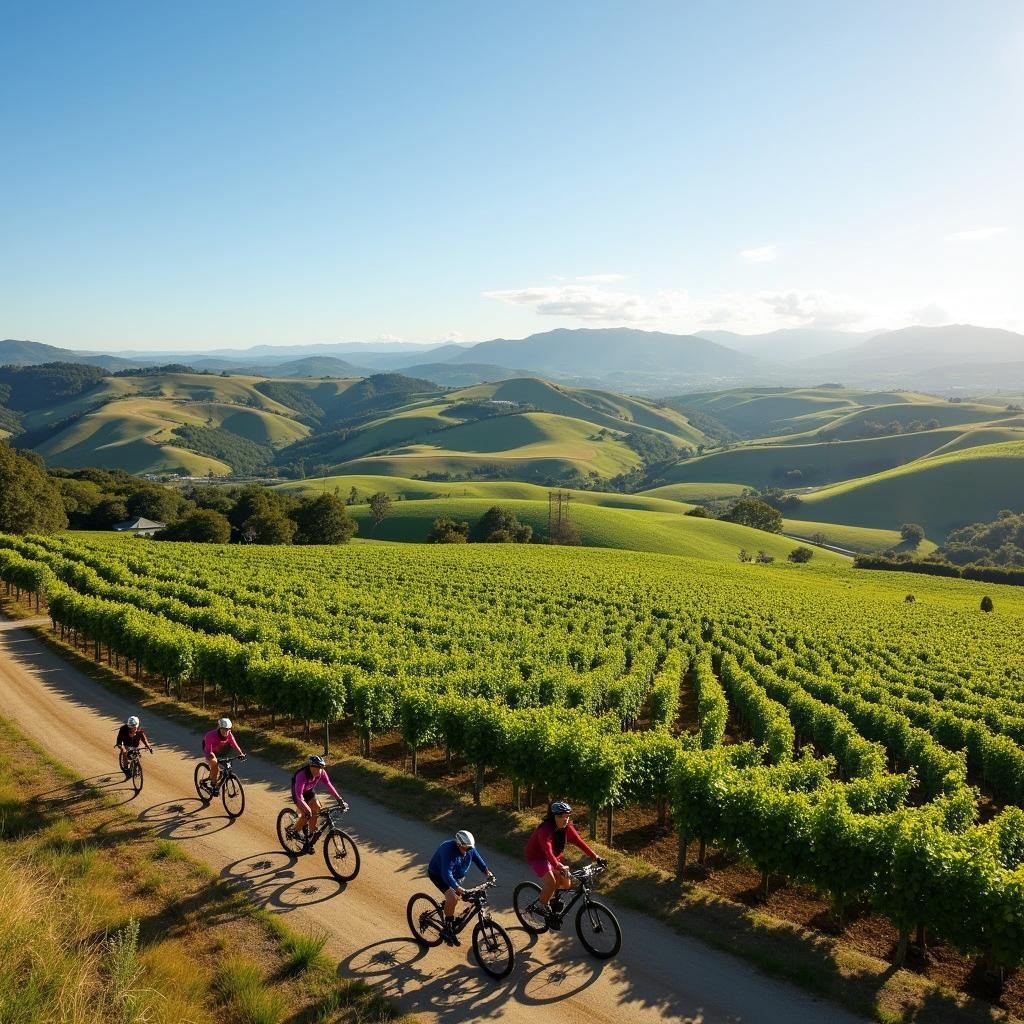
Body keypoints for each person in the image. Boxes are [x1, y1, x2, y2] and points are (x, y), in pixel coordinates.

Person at [524, 801, 606, 923]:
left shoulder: (566, 827)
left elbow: (579, 842)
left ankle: (551, 899)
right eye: (561, 816)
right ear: (553, 817)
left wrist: (596, 857)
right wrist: (558, 865)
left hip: (553, 857)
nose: (565, 819)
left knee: (566, 883)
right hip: (538, 857)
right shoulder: (545, 829)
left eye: (567, 816)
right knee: (551, 882)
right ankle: (540, 907)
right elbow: (547, 851)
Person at [427, 830, 494, 946]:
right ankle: (448, 928)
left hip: (456, 877)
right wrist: (457, 888)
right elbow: (446, 874)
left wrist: (487, 873)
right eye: (466, 848)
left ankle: (448, 907)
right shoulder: (447, 850)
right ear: (458, 844)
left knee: (467, 897)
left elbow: (478, 860)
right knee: (453, 898)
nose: (469, 850)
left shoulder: (469, 848)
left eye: (470, 848)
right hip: (439, 875)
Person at [290, 754, 348, 850]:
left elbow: (329, 785)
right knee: (306, 814)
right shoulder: (302, 775)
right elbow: (299, 795)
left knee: (316, 808)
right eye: (316, 767)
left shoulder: (321, 772)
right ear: (310, 766)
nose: (319, 770)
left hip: (308, 791)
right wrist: (306, 808)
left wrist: (339, 799)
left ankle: (311, 833)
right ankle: (294, 832)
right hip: (298, 793)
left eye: (321, 767)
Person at [202, 717, 245, 795]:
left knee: (226, 763)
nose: (226, 731)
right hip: (209, 750)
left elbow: (234, 744)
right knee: (215, 763)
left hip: (219, 749)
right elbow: (209, 750)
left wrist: (240, 753)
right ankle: (213, 785)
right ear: (219, 728)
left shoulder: (229, 734)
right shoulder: (210, 735)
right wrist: (214, 758)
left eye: (228, 729)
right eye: (224, 729)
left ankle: (218, 776)